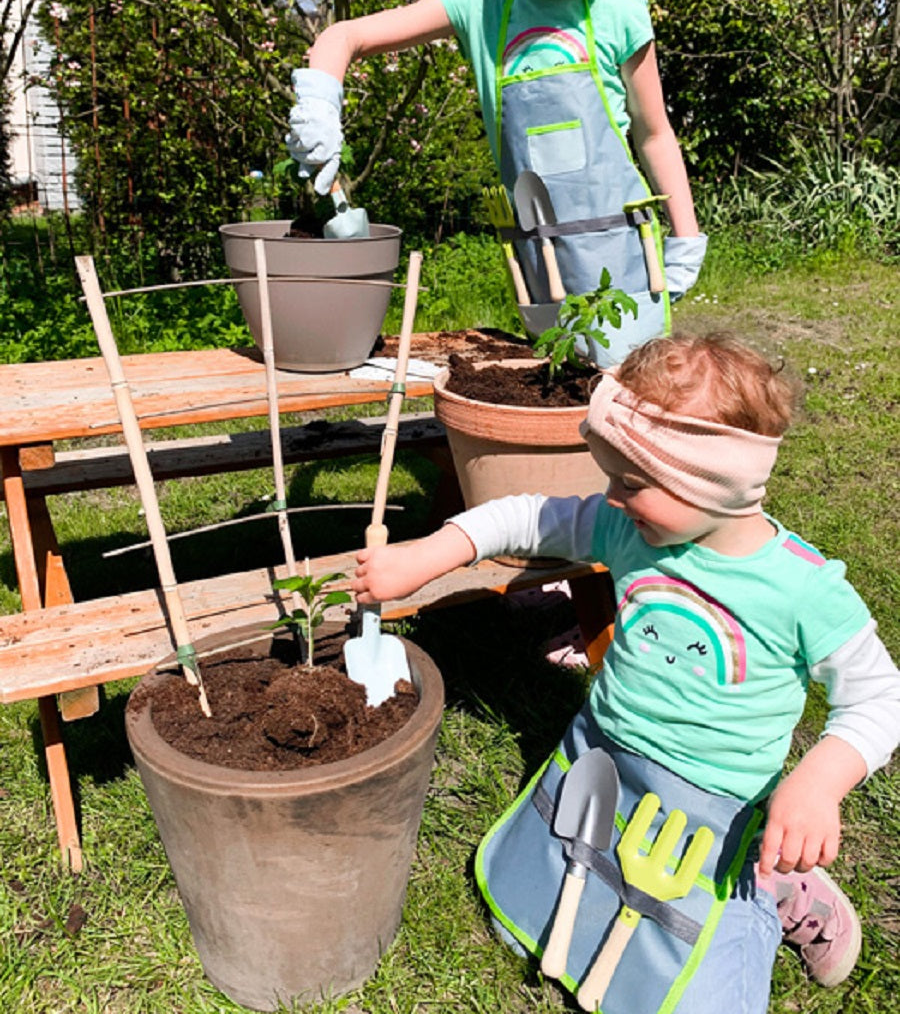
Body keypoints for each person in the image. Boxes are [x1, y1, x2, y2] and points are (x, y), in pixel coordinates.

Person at [351, 333, 900, 1012]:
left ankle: (782, 885)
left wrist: (821, 779)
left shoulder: (801, 589)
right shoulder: (630, 529)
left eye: (631, 482)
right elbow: (528, 515)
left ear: (715, 482)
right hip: (604, 762)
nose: (609, 497)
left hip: (718, 807)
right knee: (519, 921)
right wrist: (433, 553)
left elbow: (880, 695)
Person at [286, 0, 707, 364]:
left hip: (626, 258)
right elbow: (345, 37)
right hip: (541, 262)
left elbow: (655, 136)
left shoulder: (619, 14)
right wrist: (319, 99)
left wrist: (686, 236)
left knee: (628, 401)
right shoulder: (479, 7)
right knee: (560, 394)